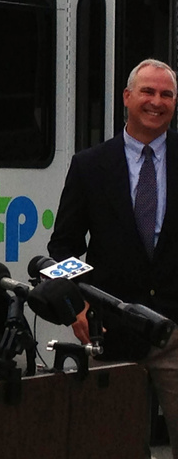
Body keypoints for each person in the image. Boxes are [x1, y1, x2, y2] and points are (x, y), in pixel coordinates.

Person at [48, 58, 178, 457]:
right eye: (148, 92)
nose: (156, 102)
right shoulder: (90, 166)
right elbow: (62, 247)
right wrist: (76, 306)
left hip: (175, 334)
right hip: (112, 335)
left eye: (167, 94)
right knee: (114, 447)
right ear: (127, 97)